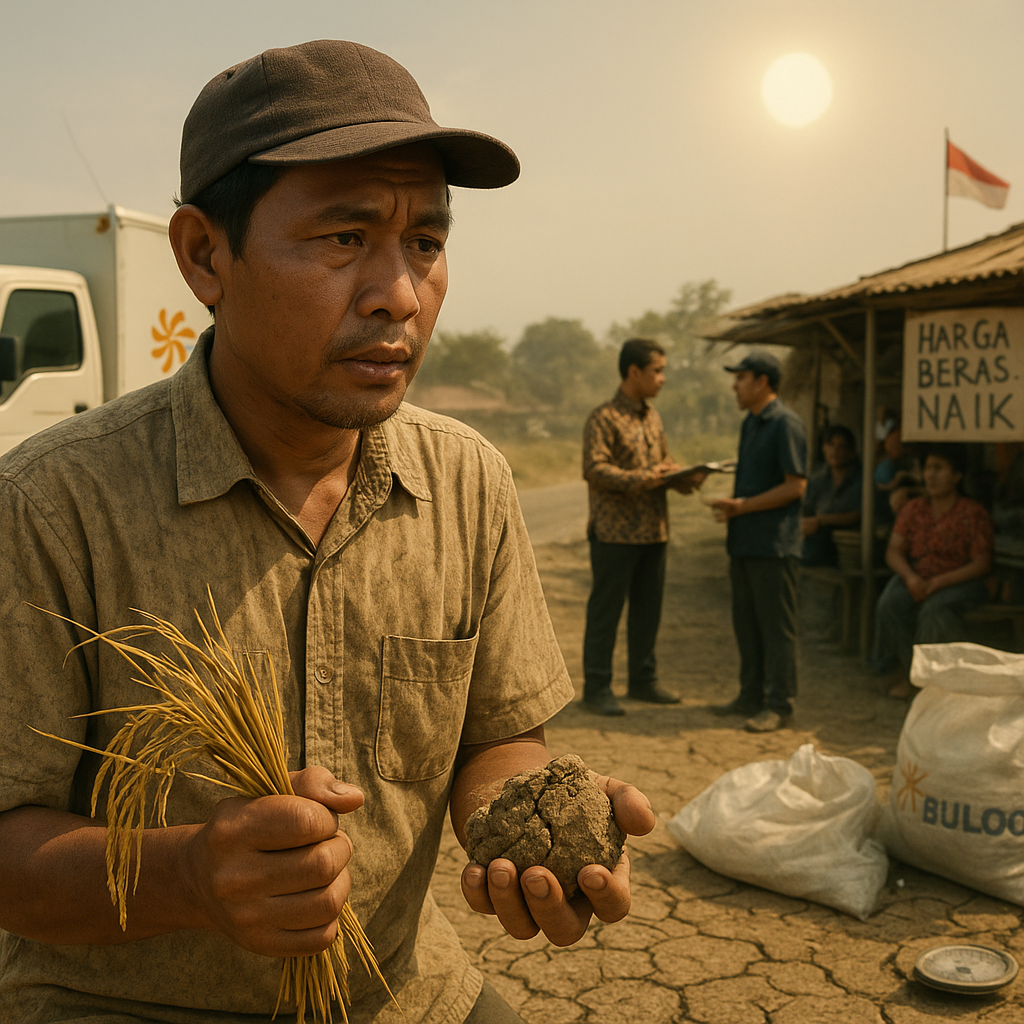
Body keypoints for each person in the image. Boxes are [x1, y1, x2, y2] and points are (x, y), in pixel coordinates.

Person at [0, 41, 655, 1024]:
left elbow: (501, 737)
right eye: (344, 238)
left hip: (398, 989)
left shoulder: (467, 480)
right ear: (203, 255)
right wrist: (186, 873)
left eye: (426, 244)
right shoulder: (52, 506)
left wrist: (514, 825)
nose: (399, 291)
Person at [581, 338, 702, 716]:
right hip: (615, 535)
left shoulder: (652, 417)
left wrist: (682, 477)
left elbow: (662, 463)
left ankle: (643, 681)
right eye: (657, 371)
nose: (663, 379)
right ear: (634, 372)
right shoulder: (603, 418)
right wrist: (645, 479)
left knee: (648, 611)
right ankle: (597, 686)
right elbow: (595, 469)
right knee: (607, 612)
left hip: (654, 531)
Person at [709, 351, 807, 733]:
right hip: (746, 541)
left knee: (776, 628)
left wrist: (743, 506)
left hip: (775, 545)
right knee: (747, 624)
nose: (735, 385)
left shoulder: (786, 424)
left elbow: (796, 486)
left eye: (741, 377)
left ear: (762, 381)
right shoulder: (752, 423)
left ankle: (780, 704)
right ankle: (750, 694)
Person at [871, 443, 994, 698]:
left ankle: (933, 686)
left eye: (939, 468)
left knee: (935, 610)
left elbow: (982, 563)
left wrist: (940, 582)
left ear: (957, 476)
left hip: (961, 580)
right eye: (928, 468)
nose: (931, 475)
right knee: (890, 603)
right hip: (919, 575)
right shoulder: (914, 508)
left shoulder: (972, 512)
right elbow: (894, 550)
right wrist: (911, 577)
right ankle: (910, 673)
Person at [801, 423, 861, 566]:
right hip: (817, 539)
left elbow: (857, 515)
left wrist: (821, 520)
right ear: (824, 448)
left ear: (851, 452)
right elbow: (806, 510)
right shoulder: (817, 479)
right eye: (831, 445)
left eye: (841, 446)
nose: (835, 451)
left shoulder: (861, 480)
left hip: (849, 544)